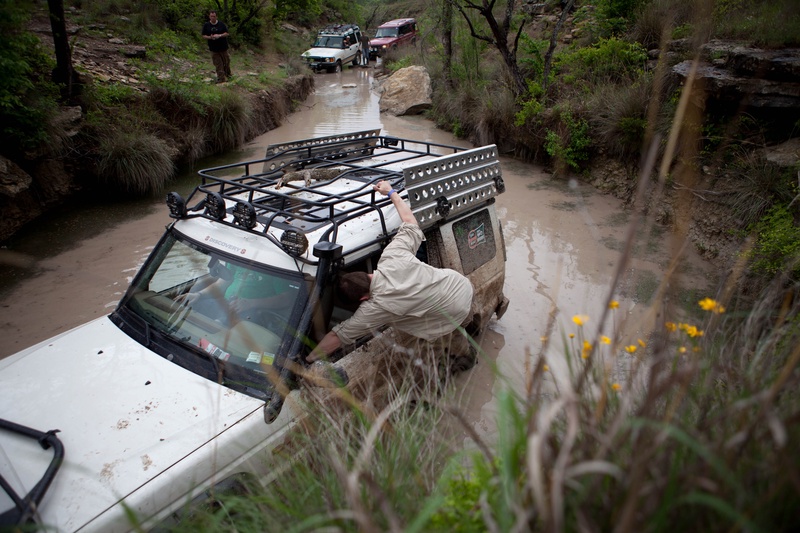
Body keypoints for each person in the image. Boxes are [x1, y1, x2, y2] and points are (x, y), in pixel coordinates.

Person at [308, 180, 474, 362]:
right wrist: (391, 192)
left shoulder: (376, 308)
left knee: (453, 345)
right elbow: (411, 223)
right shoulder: (391, 256)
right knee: (467, 326)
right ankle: (472, 341)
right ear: (365, 274)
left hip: (454, 311)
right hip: (459, 282)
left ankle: (465, 357)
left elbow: (337, 337)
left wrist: (307, 361)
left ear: (364, 299)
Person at [202, 10, 231, 83]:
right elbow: (203, 35)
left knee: (226, 62)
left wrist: (219, 35)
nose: (212, 18)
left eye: (214, 16)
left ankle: (228, 75)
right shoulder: (206, 25)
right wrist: (210, 37)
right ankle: (221, 79)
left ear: (216, 16)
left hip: (223, 47)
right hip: (213, 48)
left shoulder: (221, 24)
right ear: (209, 16)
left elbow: (227, 33)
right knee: (218, 64)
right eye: (211, 16)